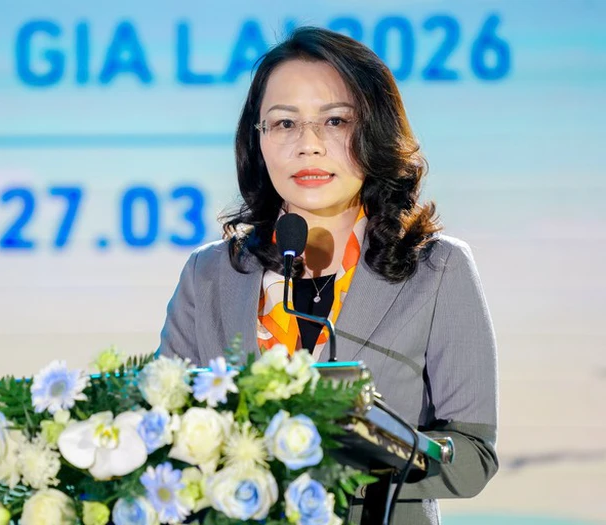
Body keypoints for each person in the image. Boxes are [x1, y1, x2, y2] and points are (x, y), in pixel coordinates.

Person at [157, 27, 498, 525]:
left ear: (374, 132)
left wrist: (341, 461)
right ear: (258, 139)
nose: (308, 145)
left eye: (335, 121)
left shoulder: (436, 269)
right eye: (284, 123)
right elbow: (164, 428)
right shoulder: (209, 274)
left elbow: (472, 457)